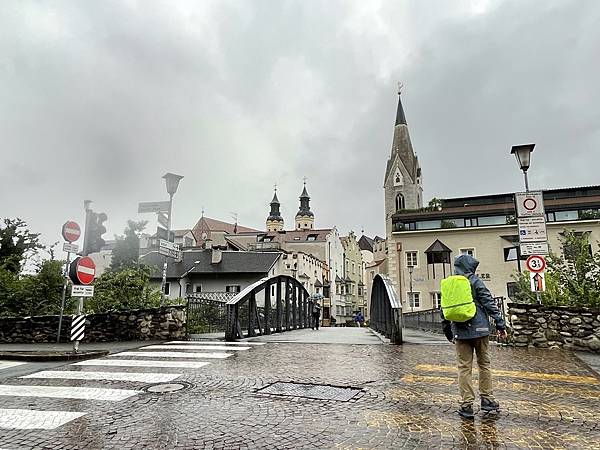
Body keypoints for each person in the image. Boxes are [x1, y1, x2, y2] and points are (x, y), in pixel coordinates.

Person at [441, 254, 507, 419]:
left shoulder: (450, 283)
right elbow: (489, 303)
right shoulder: (475, 281)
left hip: (460, 331)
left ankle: (467, 405)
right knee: (484, 364)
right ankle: (487, 400)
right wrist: (500, 324)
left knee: (464, 368)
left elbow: (443, 309)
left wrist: (447, 331)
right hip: (480, 329)